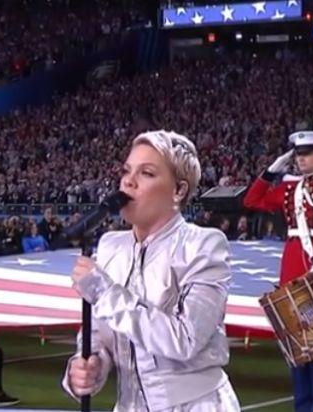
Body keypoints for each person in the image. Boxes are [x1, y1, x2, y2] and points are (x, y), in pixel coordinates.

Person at [63, 130, 240, 411]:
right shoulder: (110, 246)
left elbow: (186, 340)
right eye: (126, 171)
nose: (128, 182)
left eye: (146, 173)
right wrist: (92, 362)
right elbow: (98, 330)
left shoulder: (204, 245)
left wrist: (104, 291)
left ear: (179, 190)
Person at [243, 130, 313, 412]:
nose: (301, 159)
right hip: (292, 274)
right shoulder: (289, 188)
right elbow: (251, 201)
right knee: (297, 352)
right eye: (297, 154)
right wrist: (270, 172)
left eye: (307, 153)